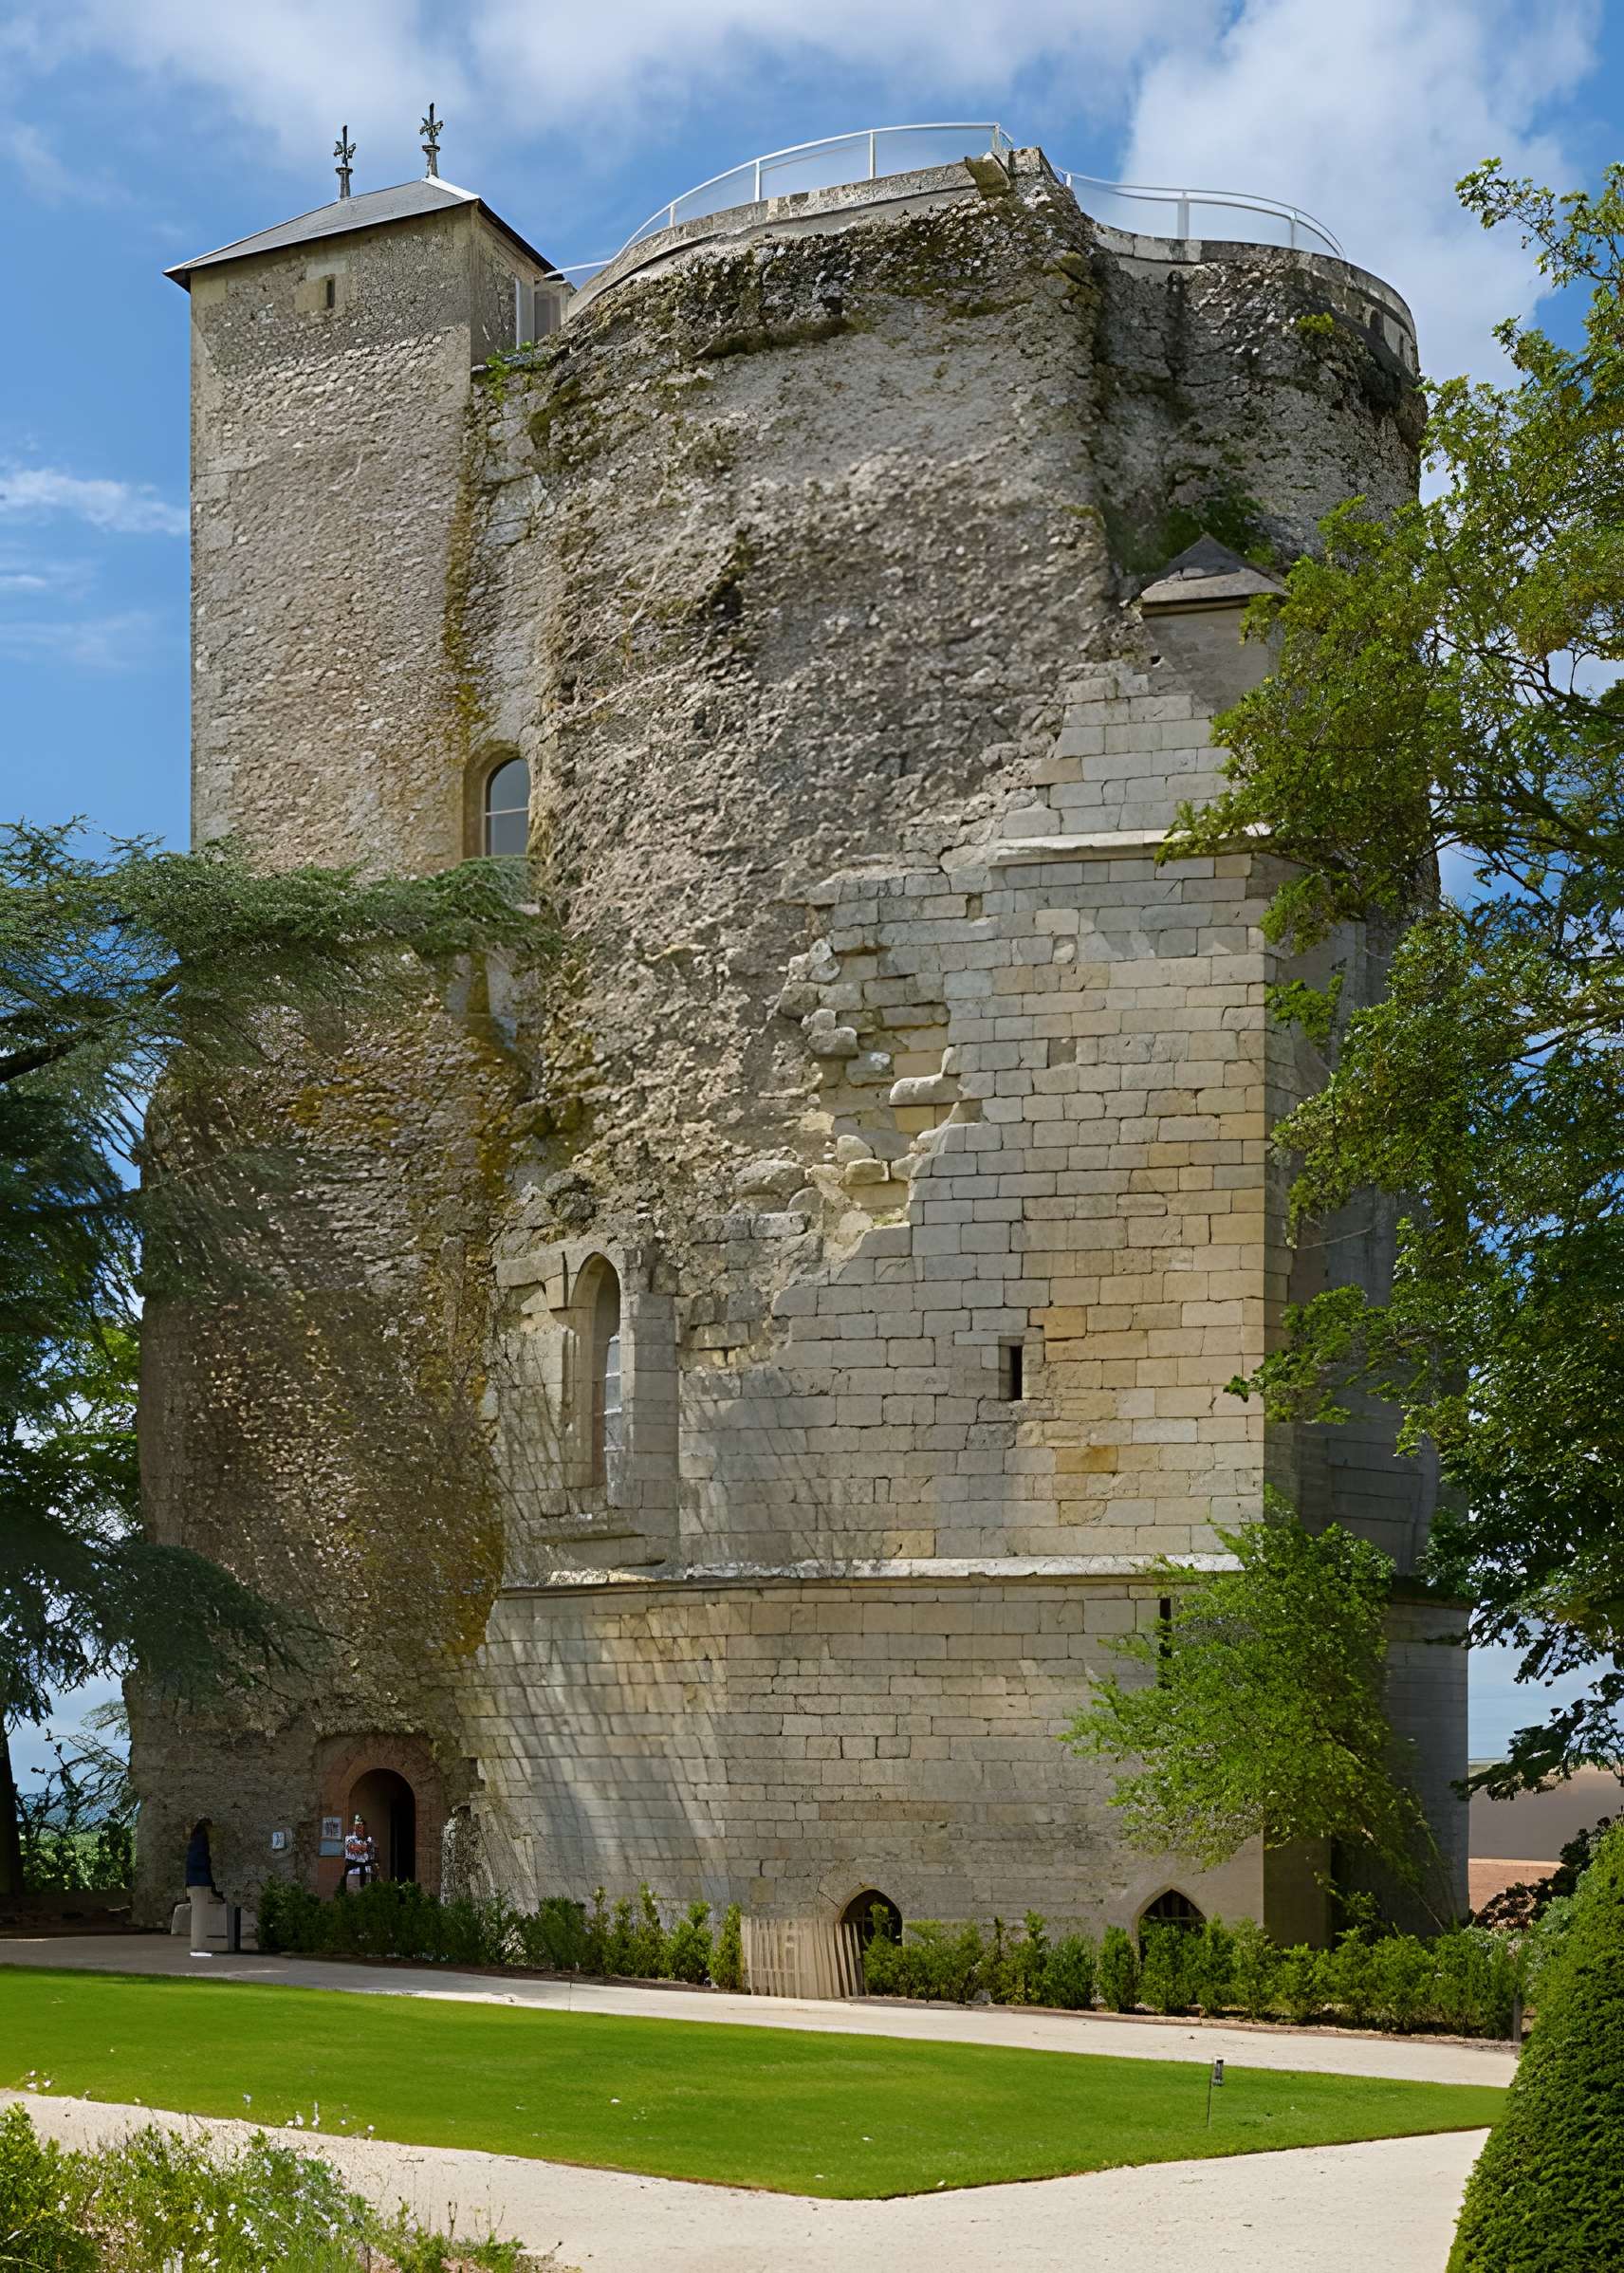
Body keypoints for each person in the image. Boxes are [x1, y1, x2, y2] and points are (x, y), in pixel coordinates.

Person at [339, 1813, 376, 1894]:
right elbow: (353, 1848)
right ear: (354, 1827)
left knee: (366, 1896)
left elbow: (367, 1848)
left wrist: (361, 1847)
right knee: (353, 1896)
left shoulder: (369, 1839)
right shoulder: (348, 1838)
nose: (359, 1828)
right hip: (353, 1872)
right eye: (357, 1826)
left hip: (366, 1872)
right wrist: (361, 1847)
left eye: (361, 1826)